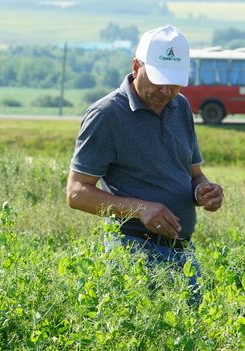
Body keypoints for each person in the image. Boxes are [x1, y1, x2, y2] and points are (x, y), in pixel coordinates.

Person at [67, 25, 223, 298]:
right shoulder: (106, 115)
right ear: (136, 66)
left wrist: (204, 191)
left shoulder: (181, 106)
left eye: (174, 83)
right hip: (133, 253)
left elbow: (193, 173)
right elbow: (77, 193)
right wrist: (140, 209)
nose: (166, 91)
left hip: (182, 253)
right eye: (158, 80)